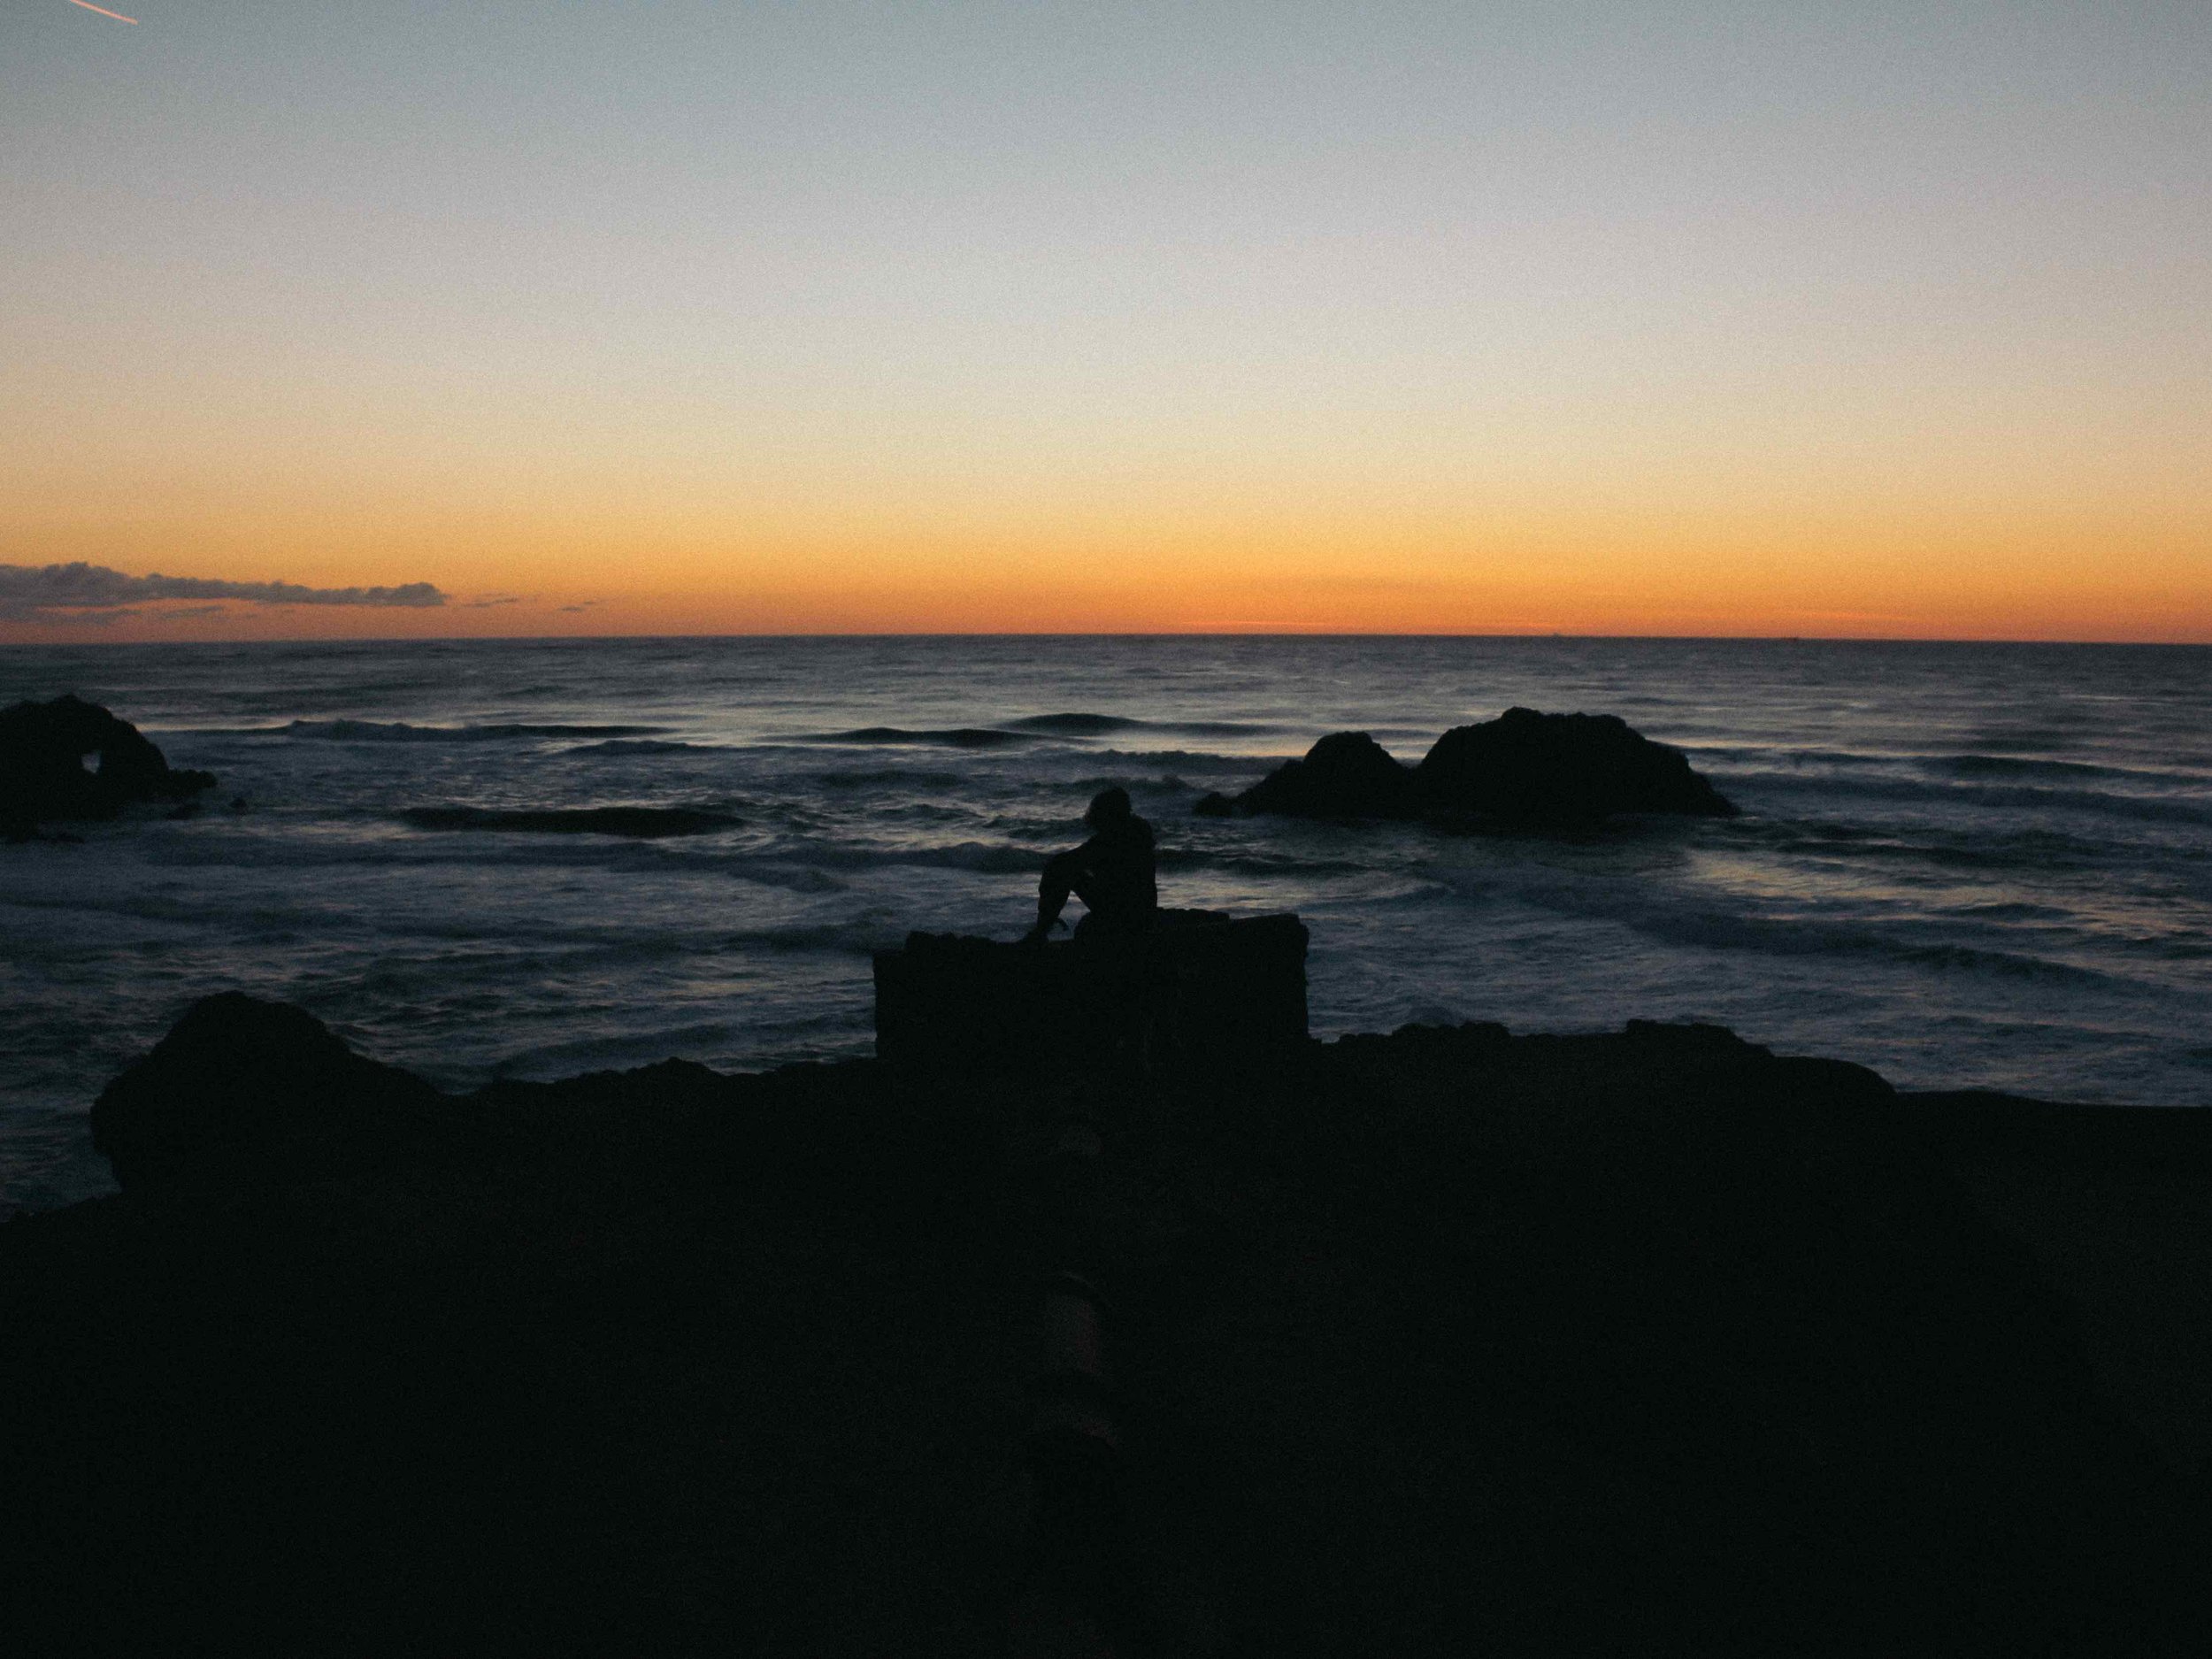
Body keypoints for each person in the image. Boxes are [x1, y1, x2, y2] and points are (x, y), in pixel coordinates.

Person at [1023, 787, 1157, 945]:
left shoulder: (1111, 838)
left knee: (1059, 869)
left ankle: (1042, 930)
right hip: (1142, 907)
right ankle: (1044, 926)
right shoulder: (1136, 831)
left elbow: (1066, 862)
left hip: (1122, 909)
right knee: (1061, 867)